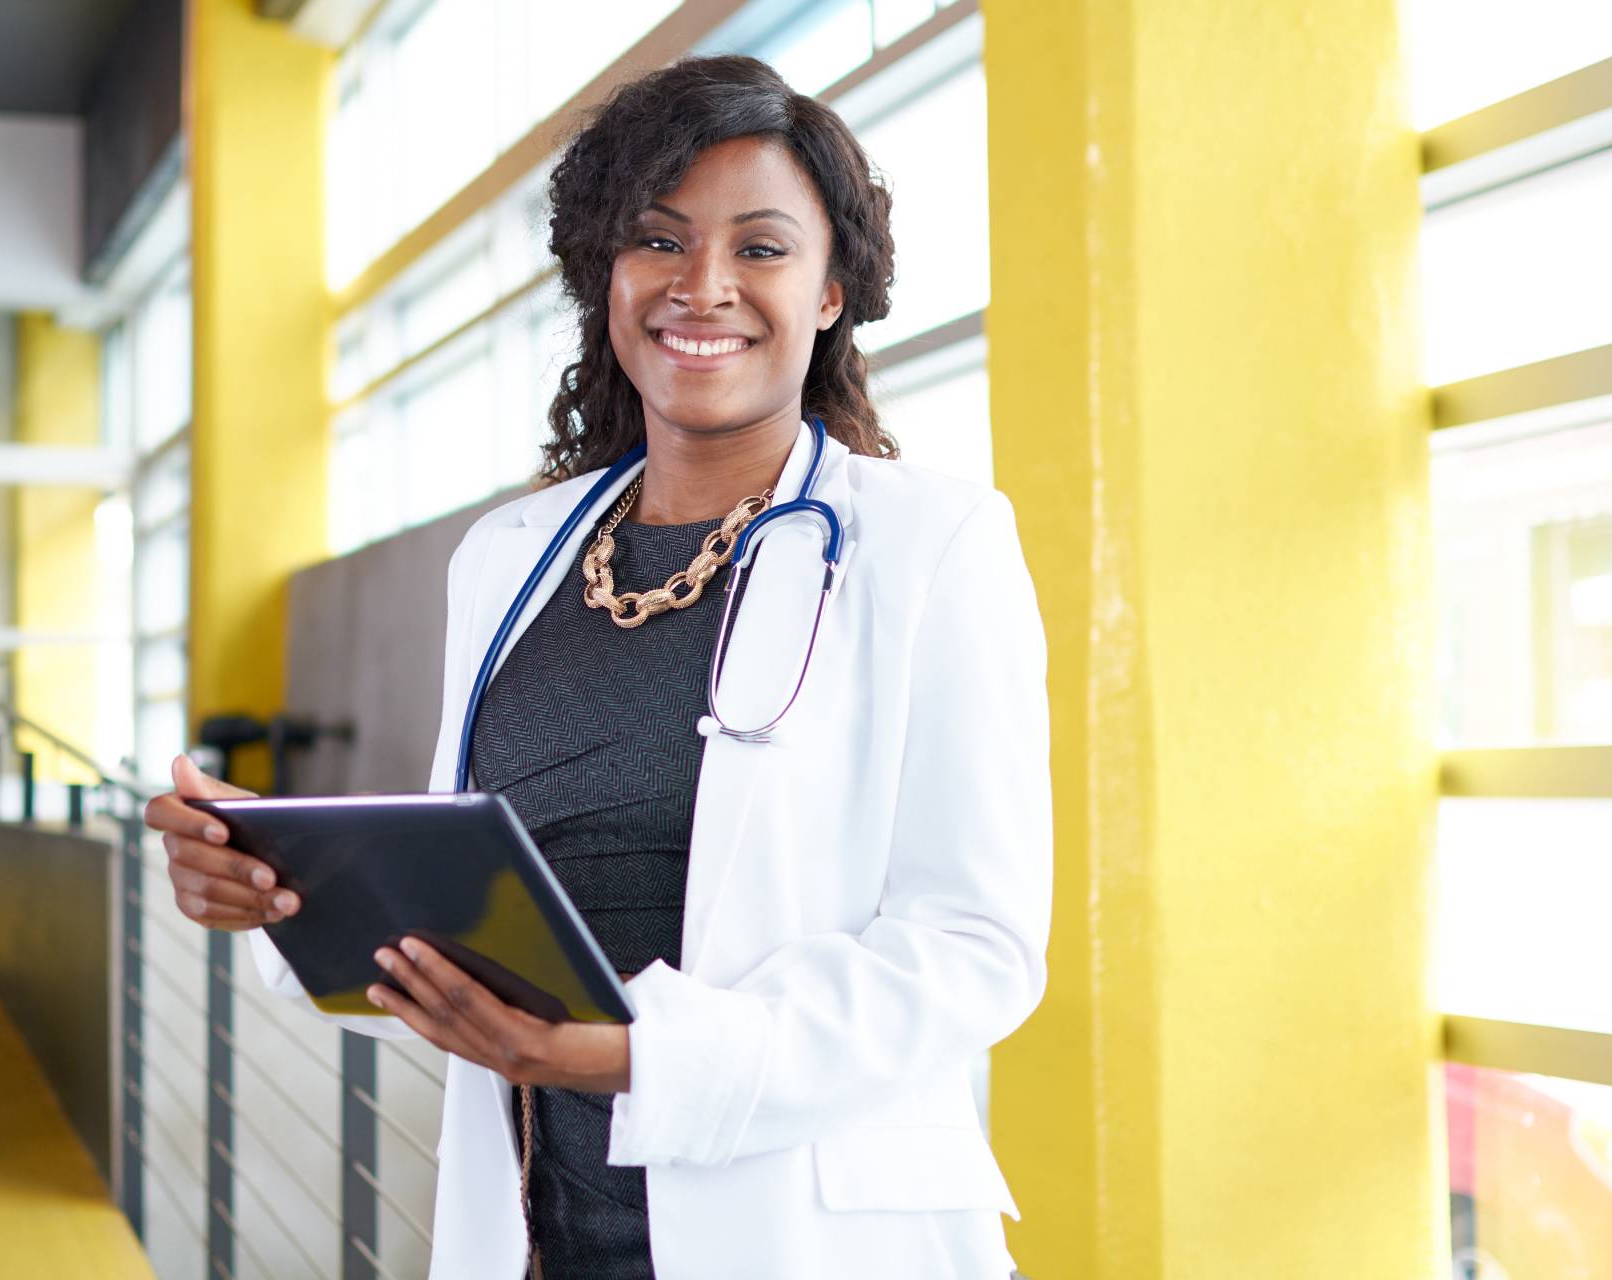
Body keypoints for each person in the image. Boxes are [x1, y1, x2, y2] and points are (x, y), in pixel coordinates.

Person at [145, 54, 1051, 1280]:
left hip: (809, 1232)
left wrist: (642, 1057)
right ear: (604, 273)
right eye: (658, 241)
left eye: (763, 248)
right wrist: (282, 882)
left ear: (835, 288)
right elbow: (464, 878)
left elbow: (974, 944)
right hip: (540, 1225)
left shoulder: (930, 542)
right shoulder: (508, 557)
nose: (703, 286)